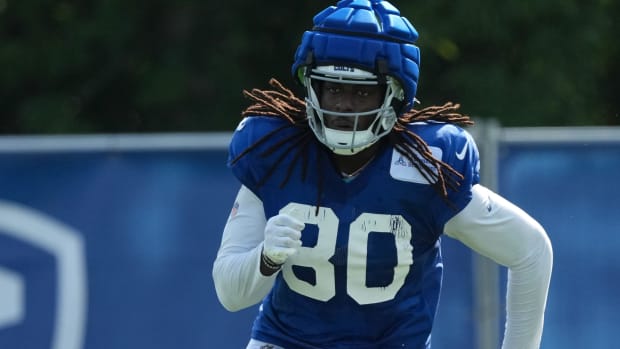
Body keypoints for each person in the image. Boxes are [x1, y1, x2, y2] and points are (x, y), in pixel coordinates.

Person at [212, 1, 553, 348]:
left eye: (361, 92)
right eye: (332, 88)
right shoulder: (275, 153)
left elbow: (530, 251)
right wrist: (265, 257)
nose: (343, 105)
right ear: (311, 88)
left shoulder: (428, 165)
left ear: (395, 94)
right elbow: (230, 293)